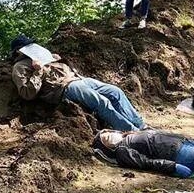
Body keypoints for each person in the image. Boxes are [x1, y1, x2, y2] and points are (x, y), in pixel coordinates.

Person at [9, 35, 145, 131]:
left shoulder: (42, 55)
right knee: (102, 102)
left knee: (115, 92)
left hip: (79, 79)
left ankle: (140, 125)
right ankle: (131, 131)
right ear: (19, 51)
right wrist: (38, 71)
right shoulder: (20, 67)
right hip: (65, 87)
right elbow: (27, 93)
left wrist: (56, 59)